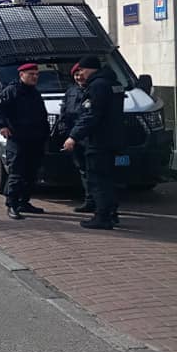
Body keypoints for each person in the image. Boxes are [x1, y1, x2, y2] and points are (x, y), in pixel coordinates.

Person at [64, 55, 125, 230]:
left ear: (90, 69)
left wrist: (73, 136)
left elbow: (91, 115)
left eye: (82, 70)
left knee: (98, 180)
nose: (81, 74)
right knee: (110, 179)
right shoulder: (114, 83)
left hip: (99, 141)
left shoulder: (97, 86)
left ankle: (102, 217)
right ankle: (112, 213)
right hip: (114, 139)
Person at [0, 63, 50, 220]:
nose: (35, 77)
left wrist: (45, 134)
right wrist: (2, 126)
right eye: (31, 74)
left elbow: (41, 115)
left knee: (31, 174)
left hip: (35, 140)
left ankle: (24, 202)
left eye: (36, 74)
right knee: (17, 173)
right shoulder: (12, 91)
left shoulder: (34, 92)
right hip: (18, 139)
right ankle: (12, 204)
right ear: (21, 75)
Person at [58, 63, 91, 213]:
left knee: (94, 171)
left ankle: (100, 203)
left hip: (89, 138)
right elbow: (64, 111)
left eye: (81, 74)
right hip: (74, 138)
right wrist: (65, 131)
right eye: (76, 75)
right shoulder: (71, 91)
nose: (79, 77)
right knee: (83, 170)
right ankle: (89, 200)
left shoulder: (93, 90)